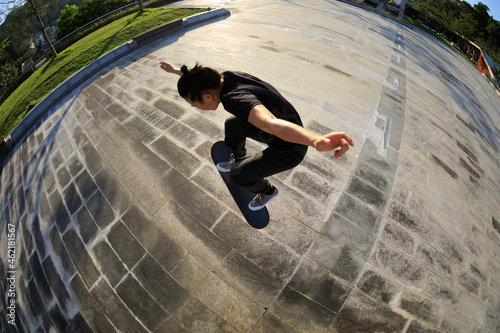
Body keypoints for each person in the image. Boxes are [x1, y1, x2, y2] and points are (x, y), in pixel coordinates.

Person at [160, 62, 354, 211]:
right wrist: (177, 72)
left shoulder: (233, 99)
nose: (198, 108)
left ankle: (267, 191)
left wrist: (315, 141)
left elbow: (271, 124)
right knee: (233, 124)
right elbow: (198, 78)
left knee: (239, 176)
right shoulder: (226, 77)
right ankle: (239, 157)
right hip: (285, 127)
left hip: (291, 147)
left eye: (195, 104)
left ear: (207, 97)